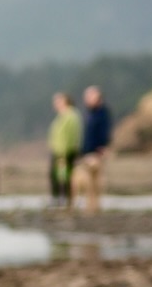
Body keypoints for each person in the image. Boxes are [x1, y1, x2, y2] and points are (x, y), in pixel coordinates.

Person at [73, 85, 112, 214]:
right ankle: (90, 207)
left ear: (97, 96)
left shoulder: (103, 113)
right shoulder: (89, 114)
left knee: (94, 182)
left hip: (96, 152)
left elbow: (105, 132)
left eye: (89, 96)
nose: (87, 99)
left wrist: (104, 146)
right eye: (86, 97)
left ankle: (94, 207)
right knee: (88, 182)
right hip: (87, 152)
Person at [47, 93, 81, 208]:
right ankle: (57, 199)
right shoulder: (61, 116)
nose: (55, 104)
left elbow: (71, 136)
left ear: (65, 101)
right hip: (57, 151)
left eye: (57, 101)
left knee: (64, 176)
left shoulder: (71, 116)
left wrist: (64, 154)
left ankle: (65, 200)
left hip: (64, 153)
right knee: (55, 176)